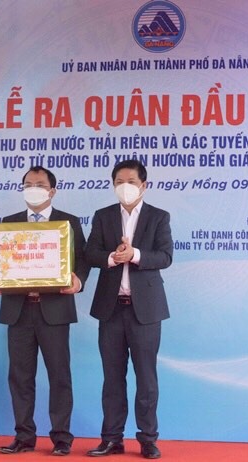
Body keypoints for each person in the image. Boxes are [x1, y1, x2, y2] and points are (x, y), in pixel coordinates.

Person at [0, 166, 89, 456]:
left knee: (59, 375)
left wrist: (78, 280)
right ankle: (23, 436)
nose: (33, 188)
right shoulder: (9, 223)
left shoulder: (68, 222)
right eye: (28, 184)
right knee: (20, 376)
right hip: (18, 311)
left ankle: (62, 437)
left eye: (39, 184)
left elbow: (82, 258)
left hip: (54, 310)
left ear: (52, 190)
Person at [85, 159, 173, 460]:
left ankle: (147, 438)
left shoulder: (158, 217)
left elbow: (165, 256)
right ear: (113, 185)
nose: (125, 186)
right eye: (119, 181)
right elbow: (90, 253)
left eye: (131, 181)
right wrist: (112, 256)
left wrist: (134, 254)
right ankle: (112, 438)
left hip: (145, 311)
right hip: (111, 309)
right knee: (112, 377)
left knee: (146, 378)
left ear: (143, 185)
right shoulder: (103, 216)